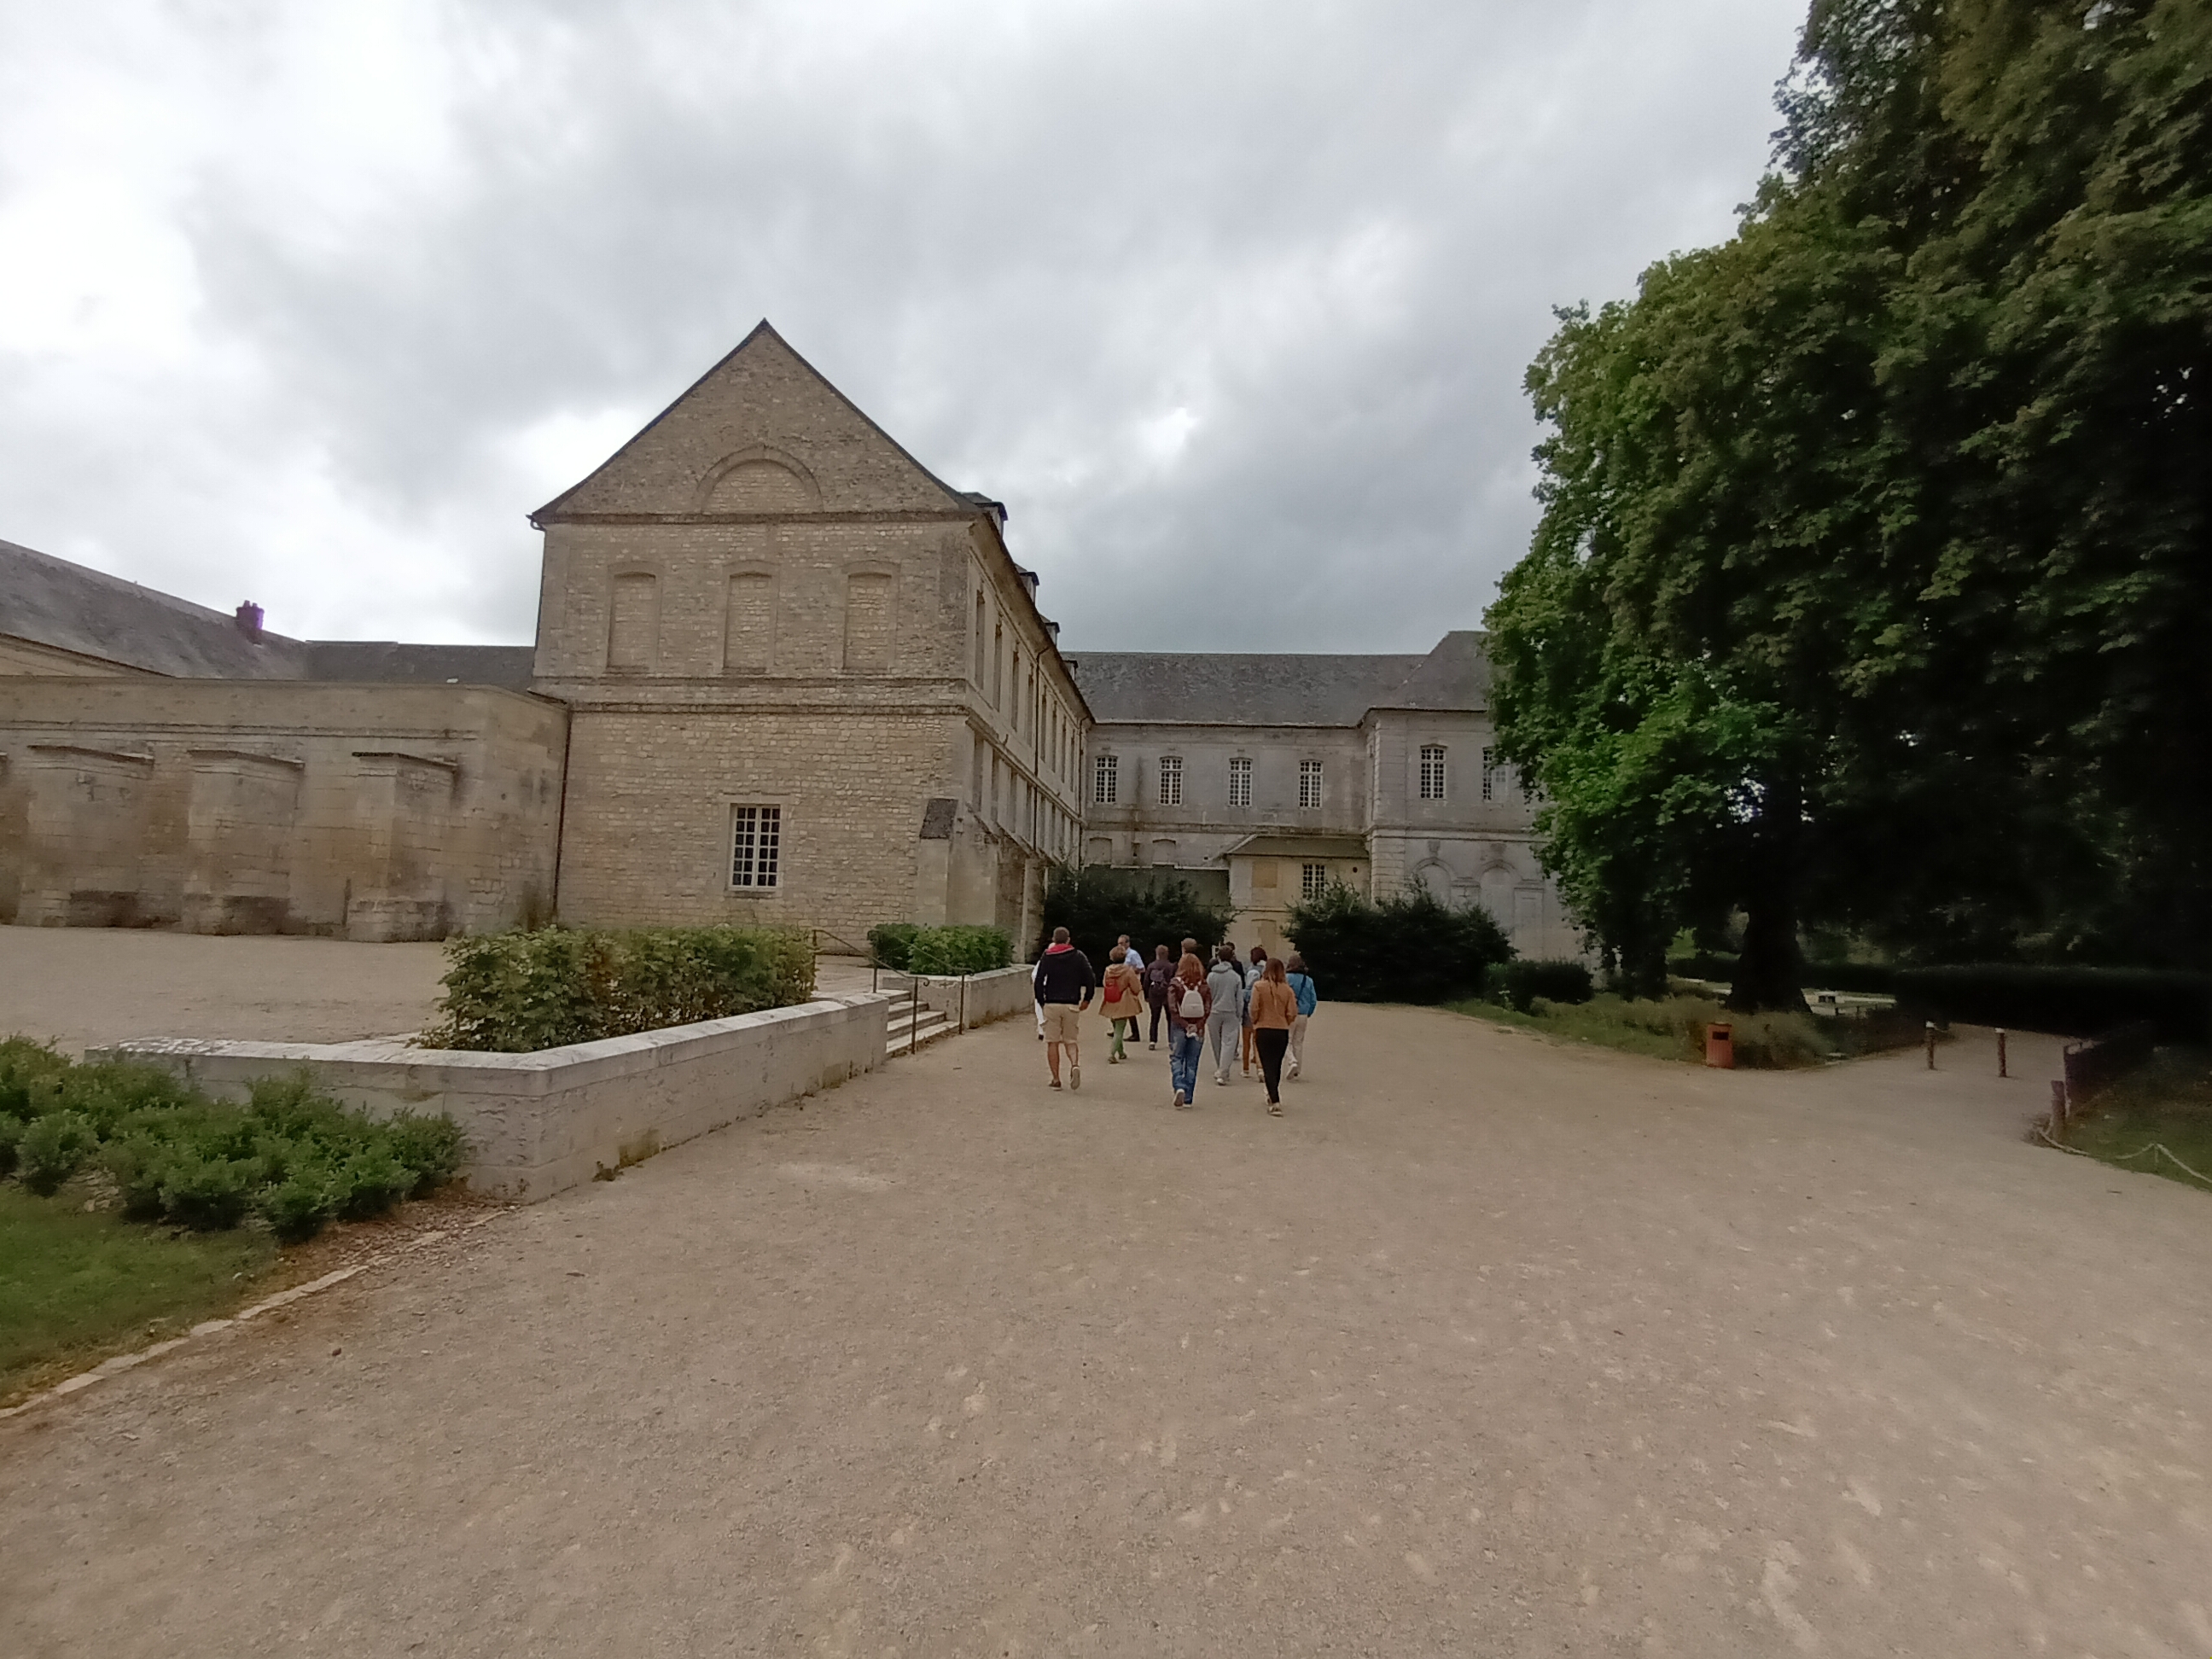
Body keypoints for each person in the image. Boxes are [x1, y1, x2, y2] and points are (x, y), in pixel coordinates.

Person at [1032, 927, 1097, 1091]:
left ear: (1054, 940)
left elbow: (1039, 980)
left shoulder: (1047, 956)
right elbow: (1090, 978)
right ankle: (1074, 1064)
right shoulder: (1078, 956)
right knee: (1071, 1040)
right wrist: (1087, 999)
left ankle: (1056, 1079)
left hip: (1052, 1003)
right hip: (1071, 1003)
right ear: (1068, 939)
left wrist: (1042, 1001)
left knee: (1052, 1042)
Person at [1248, 956, 1297, 1115]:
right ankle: (1272, 1093)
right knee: (1276, 1065)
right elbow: (1292, 1012)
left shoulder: (1258, 986)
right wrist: (1285, 1021)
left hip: (1263, 1028)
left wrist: (1256, 1020)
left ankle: (1275, 1100)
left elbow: (1254, 1008)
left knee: (1267, 1064)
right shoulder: (1287, 990)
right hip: (1281, 1030)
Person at [1166, 952, 1210, 1109]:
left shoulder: (1175, 984)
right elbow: (1207, 1009)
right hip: (1198, 1027)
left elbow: (1172, 1008)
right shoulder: (1203, 985)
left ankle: (1179, 1086)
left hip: (1179, 1025)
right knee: (1192, 1062)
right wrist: (1197, 1025)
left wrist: (1184, 1024)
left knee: (1177, 1057)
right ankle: (1188, 1097)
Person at [1204, 946, 1246, 1086]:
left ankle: (1220, 1068)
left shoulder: (1211, 976)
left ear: (1218, 958)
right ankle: (1223, 1071)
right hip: (1230, 1011)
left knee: (1216, 1043)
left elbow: (1207, 996)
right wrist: (1239, 1014)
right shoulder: (1235, 977)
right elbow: (1239, 999)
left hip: (1213, 1012)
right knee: (1229, 1043)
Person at [1098, 946, 1143, 1063]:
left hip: (1110, 1002)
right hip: (1123, 1002)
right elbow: (1136, 987)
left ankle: (1121, 1052)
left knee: (1116, 1027)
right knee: (1119, 1030)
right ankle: (1112, 1054)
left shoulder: (1108, 970)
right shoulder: (1128, 971)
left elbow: (1105, 984)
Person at [1284, 952, 1318, 1079]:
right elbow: (1313, 999)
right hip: (1303, 1013)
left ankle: (1292, 1061)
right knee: (1298, 1042)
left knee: (1287, 1040)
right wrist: (1309, 1012)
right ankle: (1297, 1069)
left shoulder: (1287, 978)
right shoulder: (1308, 980)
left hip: (1289, 1013)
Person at [1242, 942, 1267, 1074]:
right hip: (1263, 1010)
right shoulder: (1267, 970)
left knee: (1246, 1041)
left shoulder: (1252, 971)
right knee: (1258, 1041)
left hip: (1249, 1010)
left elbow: (1248, 990)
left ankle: (1246, 1068)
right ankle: (1260, 1067)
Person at [1143, 945, 1175, 1049]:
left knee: (1154, 1018)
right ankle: (1171, 1041)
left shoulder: (1151, 966)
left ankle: (1153, 1041)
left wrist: (1146, 995)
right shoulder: (1171, 966)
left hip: (1154, 994)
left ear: (1157, 954)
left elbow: (1146, 981)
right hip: (1167, 994)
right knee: (1170, 1018)